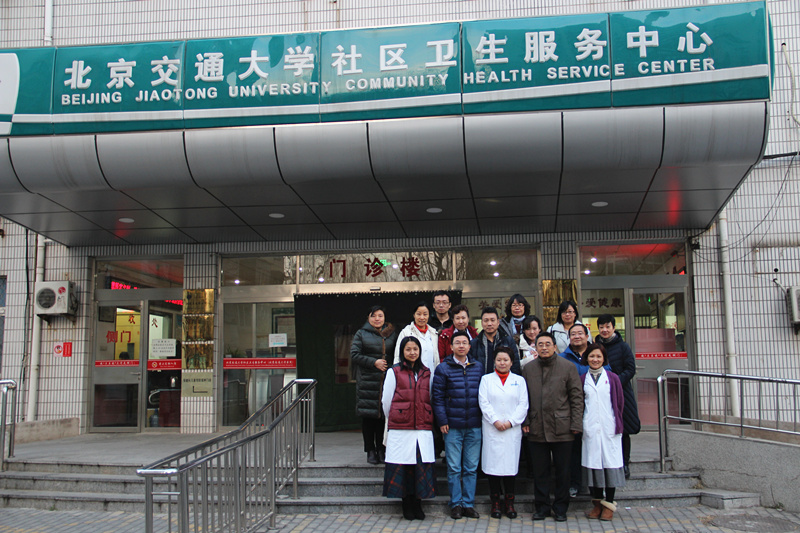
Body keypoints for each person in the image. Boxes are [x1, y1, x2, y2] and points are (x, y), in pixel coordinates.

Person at [522, 332, 584, 522]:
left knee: (563, 472)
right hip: (537, 426)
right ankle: (541, 507)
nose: (544, 347)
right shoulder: (529, 368)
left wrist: (576, 423)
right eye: (540, 344)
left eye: (548, 344)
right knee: (540, 472)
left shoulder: (568, 367)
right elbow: (523, 398)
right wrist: (525, 421)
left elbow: (576, 397)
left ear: (555, 347)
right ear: (535, 347)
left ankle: (561, 508)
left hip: (562, 427)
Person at [382, 336, 436, 520]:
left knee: (419, 468)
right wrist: (398, 416)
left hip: (421, 428)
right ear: (402, 351)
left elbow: (429, 397)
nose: (412, 352)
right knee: (403, 468)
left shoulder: (426, 372)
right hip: (401, 429)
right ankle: (406, 504)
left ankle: (417, 504)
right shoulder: (394, 371)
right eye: (408, 349)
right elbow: (387, 401)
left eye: (415, 349)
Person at [431, 331, 483, 520]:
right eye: (457, 343)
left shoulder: (478, 367)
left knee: (471, 467)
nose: (461, 346)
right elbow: (437, 397)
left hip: (474, 425)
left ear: (469, 346)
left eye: (464, 343)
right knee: (454, 467)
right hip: (452, 425)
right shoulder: (443, 368)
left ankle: (468, 504)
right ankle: (455, 504)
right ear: (451, 347)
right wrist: (442, 420)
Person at [559, 322, 610, 497]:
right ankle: (575, 483)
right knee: (574, 451)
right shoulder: (562, 358)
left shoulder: (596, 355)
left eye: (580, 333)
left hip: (597, 412)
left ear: (587, 336)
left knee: (597, 450)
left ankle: (599, 486)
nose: (577, 336)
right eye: (573, 334)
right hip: (572, 410)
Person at [479, 347, 528, 519]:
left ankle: (509, 503)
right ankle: (495, 503)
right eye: (499, 360)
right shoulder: (486, 380)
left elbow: (523, 405)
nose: (502, 363)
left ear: (511, 362)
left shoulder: (519, 381)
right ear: (494, 361)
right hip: (492, 428)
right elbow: (484, 402)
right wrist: (495, 420)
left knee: (510, 468)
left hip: (511, 430)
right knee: (492, 468)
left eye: (505, 360)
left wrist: (510, 422)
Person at [580, 343, 625, 521]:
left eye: (598, 356)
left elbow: (619, 403)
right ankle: (597, 504)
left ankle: (609, 504)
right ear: (586, 358)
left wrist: (617, 424)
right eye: (592, 356)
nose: (595, 359)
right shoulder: (582, 379)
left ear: (604, 358)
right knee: (594, 466)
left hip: (609, 428)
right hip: (590, 428)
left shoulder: (613, 378)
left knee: (609, 465)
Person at [350, 305, 397, 464]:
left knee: (383, 417)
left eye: (380, 316)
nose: (377, 319)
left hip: (386, 381)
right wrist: (374, 362)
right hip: (368, 381)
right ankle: (370, 450)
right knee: (369, 418)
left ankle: (382, 449)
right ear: (368, 318)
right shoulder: (361, 333)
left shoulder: (392, 334)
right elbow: (354, 355)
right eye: (374, 316)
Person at [595, 314, 640, 479]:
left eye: (608, 326)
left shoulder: (623, 347)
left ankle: (625, 463)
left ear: (614, 328)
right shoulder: (596, 346)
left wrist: (616, 382)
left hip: (621, 392)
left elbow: (630, 369)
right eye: (601, 327)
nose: (604, 330)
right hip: (601, 394)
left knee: (624, 428)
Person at [470, 307, 521, 375]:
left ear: (498, 322)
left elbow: (515, 365)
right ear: (482, 323)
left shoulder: (508, 341)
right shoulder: (474, 343)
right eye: (486, 320)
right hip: (481, 380)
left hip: (504, 380)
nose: (489, 324)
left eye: (492, 320)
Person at [394, 302, 439, 372]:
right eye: (418, 314)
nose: (422, 317)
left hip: (431, 374)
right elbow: (398, 355)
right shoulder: (406, 332)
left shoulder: (434, 333)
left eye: (425, 314)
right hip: (411, 374)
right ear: (414, 315)